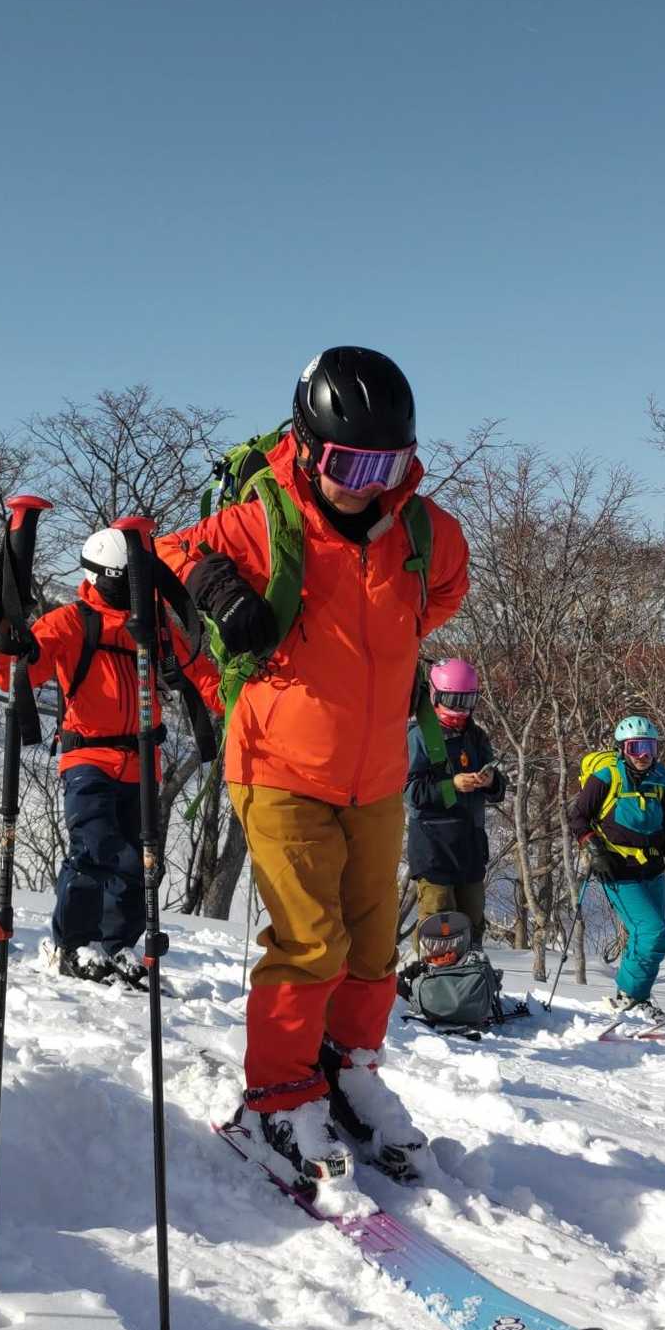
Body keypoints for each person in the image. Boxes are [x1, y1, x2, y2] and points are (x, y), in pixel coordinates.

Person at [157, 347, 469, 1186]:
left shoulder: (426, 534)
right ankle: (279, 1098)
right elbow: (169, 551)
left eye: (387, 466)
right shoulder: (266, 522)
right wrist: (221, 589)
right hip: (277, 763)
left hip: (376, 773)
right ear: (305, 445)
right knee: (310, 942)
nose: (367, 484)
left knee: (371, 945)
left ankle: (348, 1067)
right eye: (348, 464)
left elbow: (441, 597)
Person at [0, 528, 221, 986]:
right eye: (122, 579)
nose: (131, 588)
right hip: (88, 758)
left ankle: (117, 946)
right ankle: (73, 944)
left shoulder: (151, 626)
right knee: (95, 850)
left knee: (140, 861)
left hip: (142, 760)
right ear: (99, 577)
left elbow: (198, 672)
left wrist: (243, 705)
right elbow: (17, 671)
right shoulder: (72, 622)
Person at [568, 713, 665, 1023]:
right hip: (617, 868)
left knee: (649, 937)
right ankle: (631, 997)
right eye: (636, 747)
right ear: (622, 748)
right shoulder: (606, 777)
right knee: (654, 933)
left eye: (650, 747)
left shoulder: (659, 779)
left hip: (653, 869)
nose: (643, 755)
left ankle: (633, 996)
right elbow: (578, 817)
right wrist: (594, 849)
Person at [405, 658, 506, 948]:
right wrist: (452, 786)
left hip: (470, 843)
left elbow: (498, 790)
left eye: (467, 701)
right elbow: (411, 791)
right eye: (454, 701)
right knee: (438, 917)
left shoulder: (476, 736)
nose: (461, 710)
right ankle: (430, 970)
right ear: (436, 696)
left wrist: (491, 781)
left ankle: (470, 969)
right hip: (434, 845)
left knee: (472, 917)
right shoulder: (420, 736)